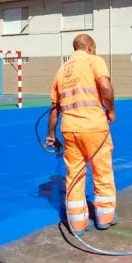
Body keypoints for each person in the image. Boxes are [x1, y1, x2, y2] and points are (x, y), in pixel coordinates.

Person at [46, 34, 117, 236]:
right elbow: (105, 86)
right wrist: (111, 110)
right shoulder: (94, 60)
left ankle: (78, 224)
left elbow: (54, 109)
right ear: (90, 47)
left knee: (74, 176)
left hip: (69, 129)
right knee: (102, 172)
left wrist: (51, 134)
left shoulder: (61, 71)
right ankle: (105, 218)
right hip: (94, 127)